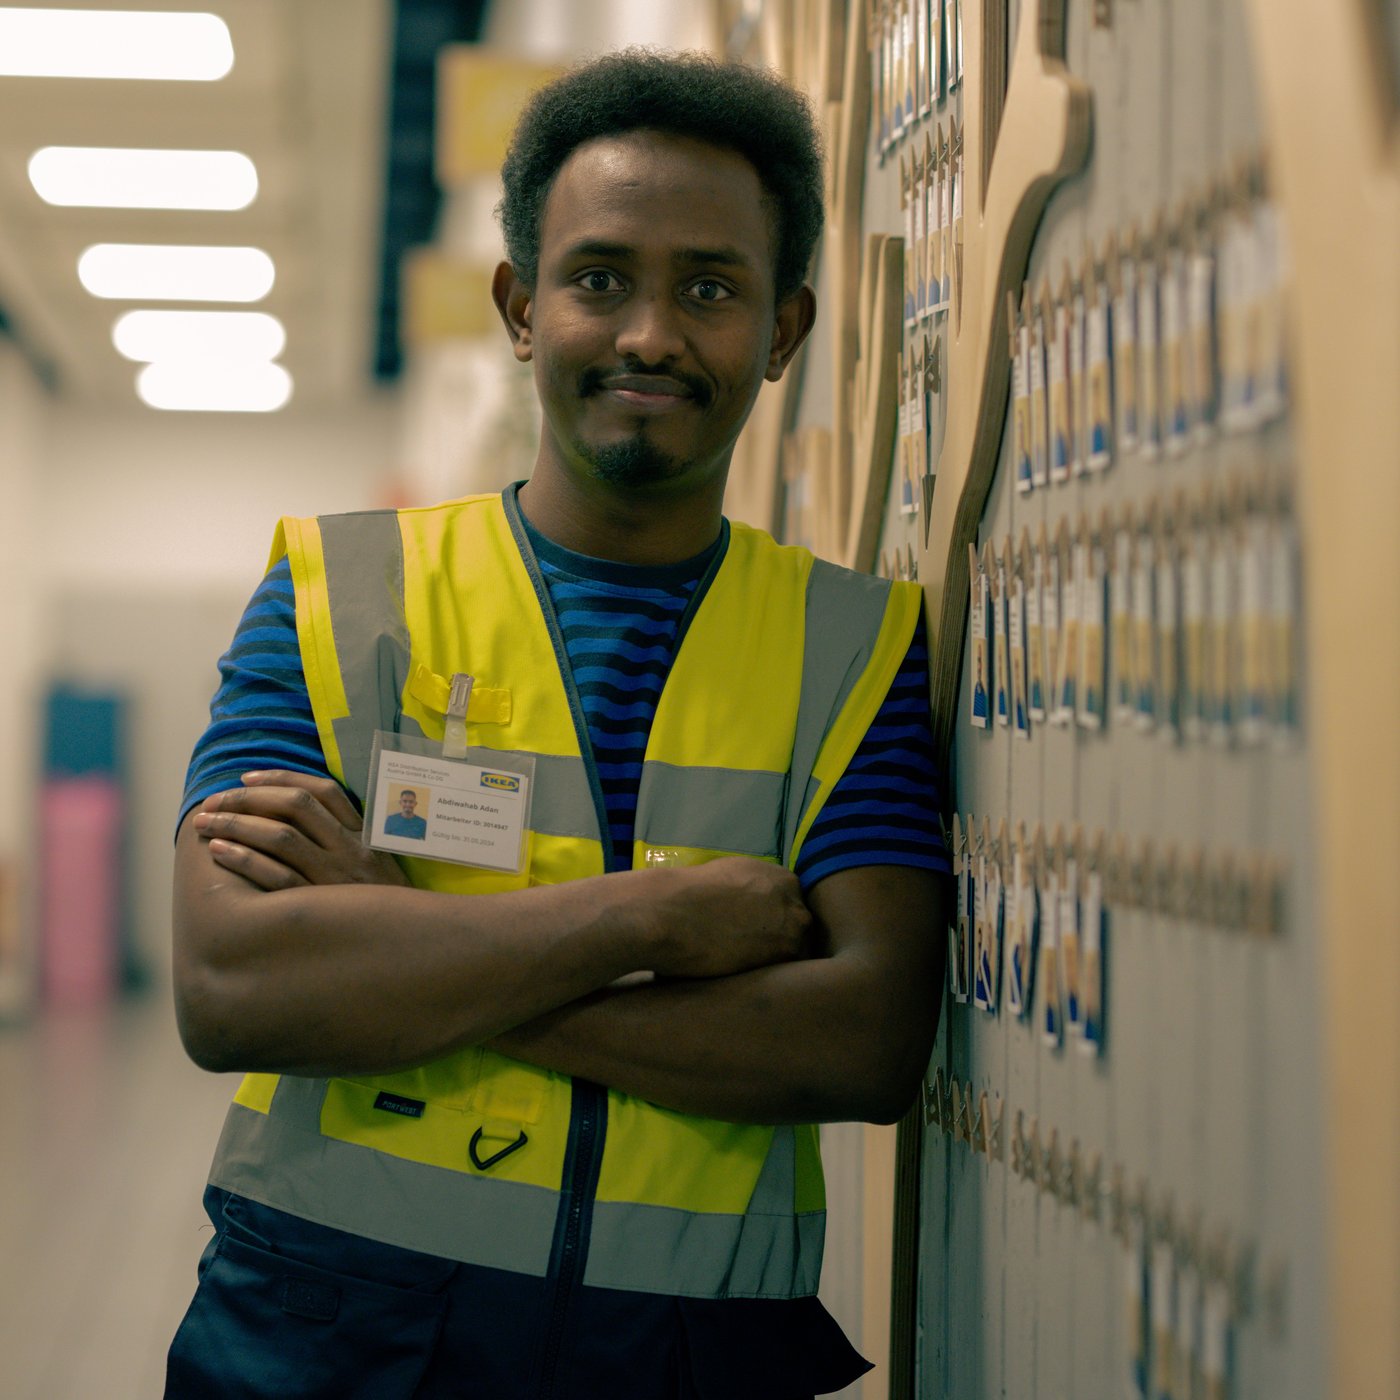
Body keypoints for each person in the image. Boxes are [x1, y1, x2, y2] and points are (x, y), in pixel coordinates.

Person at [166, 49, 949, 1400]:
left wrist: (402, 940)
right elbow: (237, 988)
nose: (649, 333)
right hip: (322, 1336)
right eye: (599, 279)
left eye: (710, 288)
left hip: (684, 1356)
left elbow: (863, 1041)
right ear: (522, 309)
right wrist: (651, 922)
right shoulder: (338, 593)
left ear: (784, 332)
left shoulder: (854, 648)